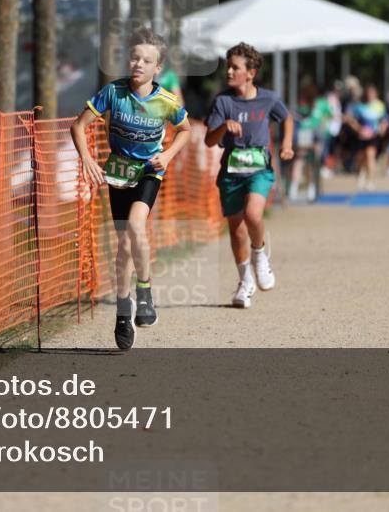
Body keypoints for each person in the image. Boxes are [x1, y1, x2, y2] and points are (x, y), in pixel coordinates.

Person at [71, 28, 191, 350]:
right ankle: (123, 312)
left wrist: (166, 155)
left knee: (137, 226)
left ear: (158, 68)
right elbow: (78, 126)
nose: (138, 64)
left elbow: (185, 130)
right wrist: (87, 160)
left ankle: (145, 290)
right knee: (123, 245)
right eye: (134, 57)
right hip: (118, 173)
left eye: (146, 60)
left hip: (149, 173)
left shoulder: (166, 101)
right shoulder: (113, 92)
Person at [205, 43, 294, 309]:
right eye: (228, 66)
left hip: (259, 169)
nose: (229, 71)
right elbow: (209, 140)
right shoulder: (223, 102)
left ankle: (260, 255)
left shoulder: (268, 99)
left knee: (253, 215)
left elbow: (286, 119)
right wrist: (223, 127)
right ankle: (245, 282)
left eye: (235, 67)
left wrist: (287, 144)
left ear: (251, 72)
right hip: (231, 172)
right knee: (236, 230)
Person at [345, 84, 388, 190]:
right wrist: (360, 129)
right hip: (361, 136)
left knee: (370, 156)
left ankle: (371, 181)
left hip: (374, 136)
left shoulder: (380, 106)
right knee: (360, 157)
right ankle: (360, 173)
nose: (370, 96)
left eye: (372, 94)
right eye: (369, 94)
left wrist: (382, 129)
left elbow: (384, 120)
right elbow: (351, 120)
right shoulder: (359, 106)